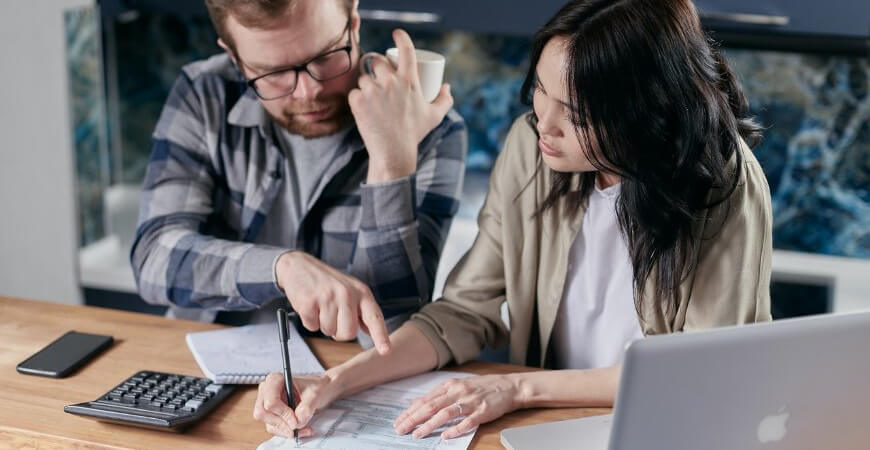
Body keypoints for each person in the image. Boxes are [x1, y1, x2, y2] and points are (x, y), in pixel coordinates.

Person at [253, 0, 773, 441]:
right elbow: (462, 312)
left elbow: (699, 372)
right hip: (549, 426)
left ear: (645, 113)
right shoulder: (532, 149)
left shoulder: (725, 184)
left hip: (665, 431)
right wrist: (336, 380)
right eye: (540, 90)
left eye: (576, 114)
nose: (543, 122)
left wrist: (516, 388)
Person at [130, 0, 467, 351]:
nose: (309, 92)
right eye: (272, 73)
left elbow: (395, 331)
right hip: (205, 361)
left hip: (349, 377)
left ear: (353, 23)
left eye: (325, 57)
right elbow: (153, 259)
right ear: (234, 57)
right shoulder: (205, 93)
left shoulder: (430, 127)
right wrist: (282, 269)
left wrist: (390, 163)